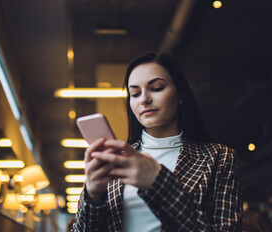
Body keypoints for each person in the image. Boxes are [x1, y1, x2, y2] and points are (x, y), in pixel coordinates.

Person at [71, 52, 242, 231]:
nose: (144, 99)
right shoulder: (118, 160)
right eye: (135, 93)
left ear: (181, 95)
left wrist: (158, 183)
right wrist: (92, 196)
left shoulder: (219, 158)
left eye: (157, 88)